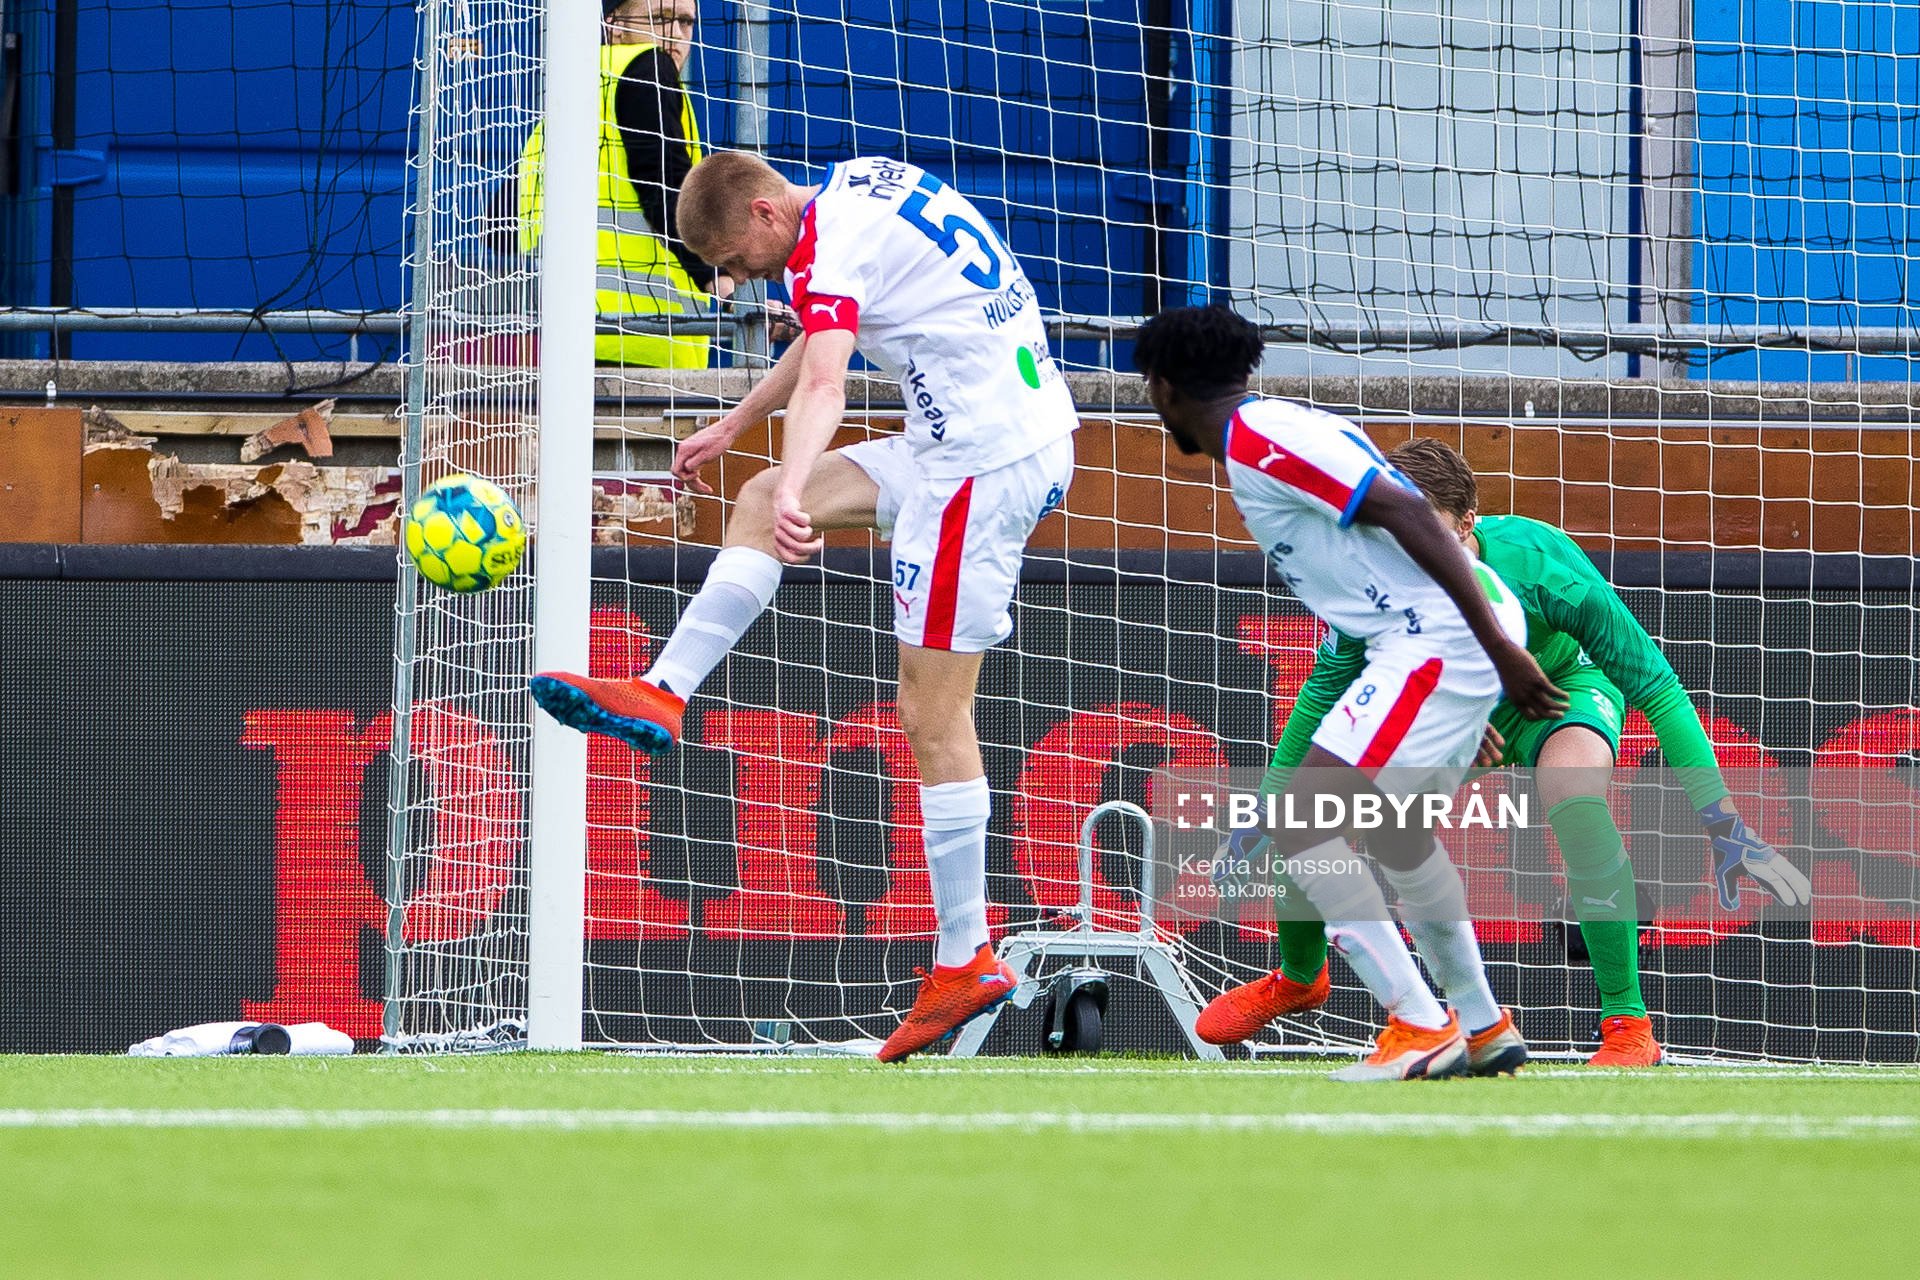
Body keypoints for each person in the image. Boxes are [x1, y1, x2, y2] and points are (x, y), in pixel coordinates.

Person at [529, 151, 1079, 1062]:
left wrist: (795, 484)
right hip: (974, 443)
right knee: (752, 502)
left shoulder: (822, 246)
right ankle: (663, 689)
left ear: (758, 212)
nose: (740, 281)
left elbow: (830, 381)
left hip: (985, 469)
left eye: (736, 264)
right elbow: (818, 345)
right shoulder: (853, 186)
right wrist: (741, 430)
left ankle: (965, 958)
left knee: (931, 713)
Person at [1203, 437, 1815, 1066]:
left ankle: (1628, 1025)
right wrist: (1264, 812)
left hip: (1553, 692)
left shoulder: (1539, 563)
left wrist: (1723, 823)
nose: (1409, 549)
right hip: (1447, 700)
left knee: (1573, 796)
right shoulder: (1372, 579)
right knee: (1316, 816)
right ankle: (1301, 978)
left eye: (1426, 529)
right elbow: (1320, 698)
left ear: (1467, 523)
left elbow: (1655, 687)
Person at [1135, 304, 1568, 1081]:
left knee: (1304, 823)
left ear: (1163, 388)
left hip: (1436, 638)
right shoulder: (1266, 431)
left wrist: (1494, 652)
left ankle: (1416, 1023)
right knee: (1399, 836)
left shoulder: (1264, 441)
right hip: (1434, 644)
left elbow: (1405, 508)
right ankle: (1481, 1023)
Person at [516, 0, 719, 368]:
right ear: (615, 25)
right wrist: (718, 276)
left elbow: (499, 226)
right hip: (644, 347)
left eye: (686, 22)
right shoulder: (649, 69)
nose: (674, 36)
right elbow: (665, 186)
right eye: (659, 19)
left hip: (553, 347)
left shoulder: (577, 94)